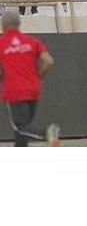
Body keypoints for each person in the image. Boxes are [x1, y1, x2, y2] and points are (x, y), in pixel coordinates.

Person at [0, 9, 59, 147]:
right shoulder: (32, 42)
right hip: (33, 89)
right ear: (19, 23)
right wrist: (40, 77)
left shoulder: (2, 43)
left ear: (3, 24)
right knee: (24, 130)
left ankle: (47, 133)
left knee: (20, 127)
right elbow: (49, 61)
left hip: (14, 91)